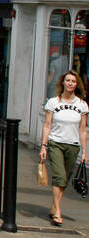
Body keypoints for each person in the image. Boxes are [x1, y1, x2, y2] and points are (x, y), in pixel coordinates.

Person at [40, 70, 89, 226]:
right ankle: (58, 212)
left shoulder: (82, 105)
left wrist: (84, 151)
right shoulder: (53, 102)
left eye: (73, 81)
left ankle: (54, 206)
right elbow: (47, 125)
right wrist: (43, 145)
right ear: (63, 82)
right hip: (56, 143)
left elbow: (82, 129)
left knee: (65, 179)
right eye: (67, 80)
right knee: (59, 176)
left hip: (73, 146)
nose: (70, 83)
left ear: (76, 85)